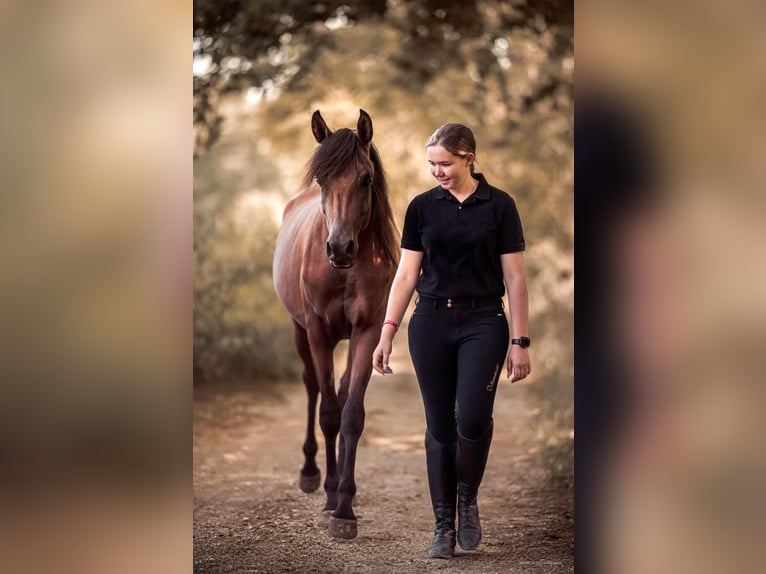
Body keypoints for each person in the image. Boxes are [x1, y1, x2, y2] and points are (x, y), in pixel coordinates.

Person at [372, 123, 531, 559]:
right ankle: (443, 524)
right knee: (440, 424)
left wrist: (521, 339)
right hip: (430, 323)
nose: (437, 172)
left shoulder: (499, 206)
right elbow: (406, 275)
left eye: (444, 163)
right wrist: (388, 331)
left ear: (469, 159)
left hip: (484, 321)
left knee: (474, 418)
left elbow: (515, 277)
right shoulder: (422, 208)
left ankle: (467, 498)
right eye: (431, 165)